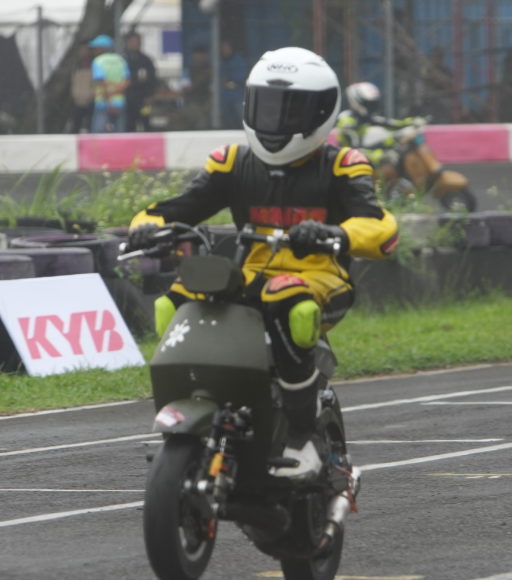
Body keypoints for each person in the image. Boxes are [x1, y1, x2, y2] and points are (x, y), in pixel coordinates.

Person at [126, 47, 398, 480]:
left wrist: (336, 234)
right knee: (177, 298)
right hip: (252, 273)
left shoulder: (343, 166)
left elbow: (381, 228)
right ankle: (193, 404)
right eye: (267, 108)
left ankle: (302, 435)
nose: (275, 121)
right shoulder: (232, 163)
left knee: (289, 301)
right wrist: (147, 228)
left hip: (320, 278)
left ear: (321, 112)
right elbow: (175, 208)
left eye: (290, 110)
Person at [335, 81, 425, 195]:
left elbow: (390, 124)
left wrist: (412, 122)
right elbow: (356, 151)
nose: (372, 107)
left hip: (366, 158)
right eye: (369, 103)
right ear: (357, 101)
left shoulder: (363, 116)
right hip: (351, 165)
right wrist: (385, 150)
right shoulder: (347, 122)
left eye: (374, 103)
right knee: (389, 165)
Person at [89, 35, 129, 133]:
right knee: (120, 133)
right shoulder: (121, 60)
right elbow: (127, 81)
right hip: (119, 102)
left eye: (95, 48)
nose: (93, 51)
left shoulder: (98, 61)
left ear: (102, 49)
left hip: (104, 103)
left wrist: (109, 102)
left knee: (98, 133)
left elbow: (101, 83)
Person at [122, 31, 158, 132]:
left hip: (143, 99)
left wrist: (150, 96)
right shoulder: (123, 59)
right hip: (127, 99)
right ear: (127, 43)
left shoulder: (146, 60)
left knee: (145, 122)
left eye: (138, 42)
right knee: (129, 125)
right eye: (133, 42)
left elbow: (152, 80)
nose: (136, 44)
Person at [218, 40, 247, 129]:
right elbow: (220, 78)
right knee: (227, 117)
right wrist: (224, 82)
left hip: (237, 94)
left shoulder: (239, 61)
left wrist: (232, 82)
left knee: (240, 114)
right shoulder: (220, 61)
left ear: (231, 49)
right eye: (223, 49)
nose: (224, 51)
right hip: (224, 95)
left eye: (226, 48)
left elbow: (241, 77)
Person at [69, 42, 94, 133]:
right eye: (81, 50)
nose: (83, 52)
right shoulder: (75, 65)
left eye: (85, 50)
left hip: (91, 101)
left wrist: (91, 95)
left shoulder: (94, 64)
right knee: (76, 125)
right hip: (78, 101)